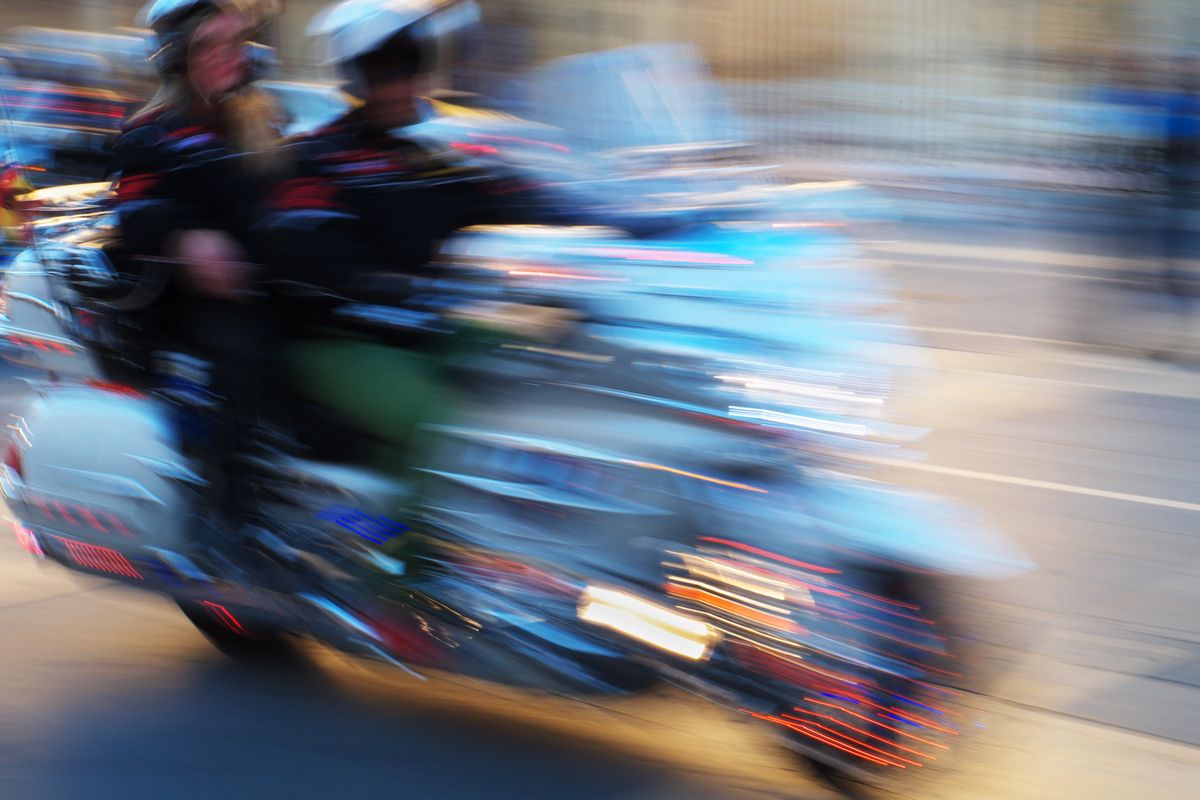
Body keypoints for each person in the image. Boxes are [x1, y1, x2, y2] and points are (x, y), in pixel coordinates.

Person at [255, 0, 571, 472]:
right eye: (381, 73)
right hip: (342, 337)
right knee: (455, 436)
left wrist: (615, 225)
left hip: (432, 323)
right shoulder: (318, 157)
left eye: (408, 69)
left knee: (561, 384)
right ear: (356, 78)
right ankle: (407, 545)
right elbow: (313, 254)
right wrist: (399, 286)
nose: (399, 85)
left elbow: (524, 201)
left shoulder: (441, 148)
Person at [106, 0, 287, 550]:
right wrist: (185, 237)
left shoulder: (258, 125)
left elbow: (291, 195)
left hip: (259, 284)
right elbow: (134, 215)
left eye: (239, 43)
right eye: (214, 45)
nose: (232, 56)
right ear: (179, 57)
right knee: (246, 348)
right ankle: (231, 516)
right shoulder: (150, 134)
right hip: (183, 303)